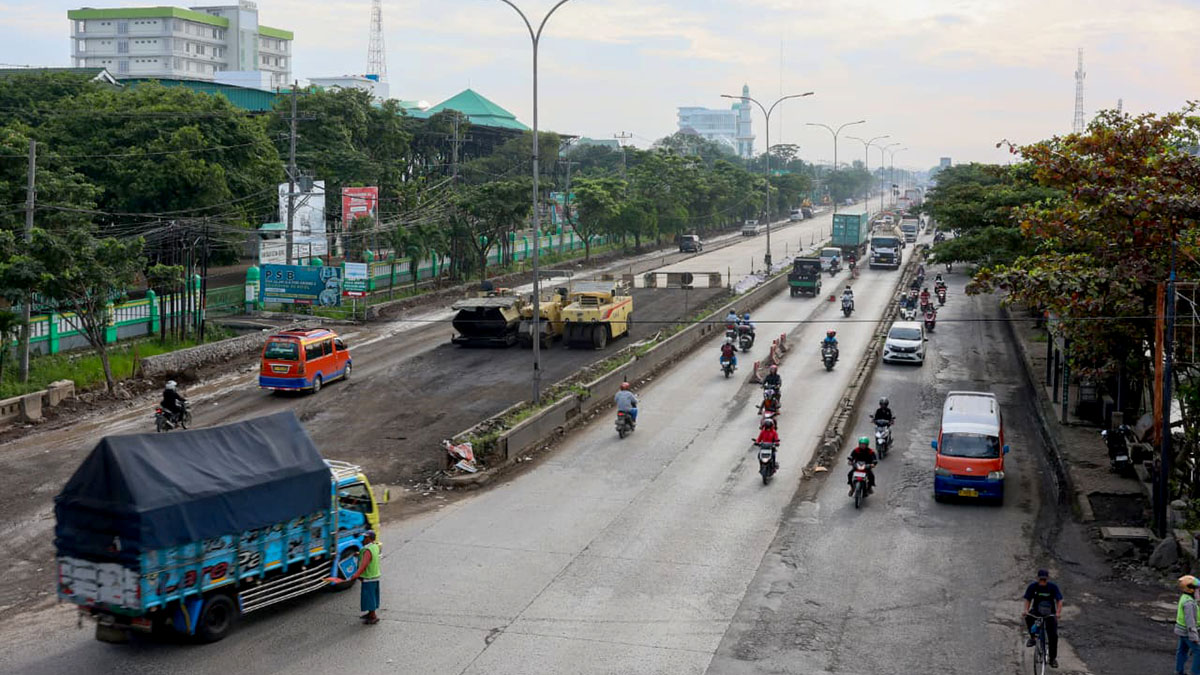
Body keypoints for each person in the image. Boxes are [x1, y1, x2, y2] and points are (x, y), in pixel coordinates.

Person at [1023, 569, 1063, 669]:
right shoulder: (1032, 587)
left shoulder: (1053, 587)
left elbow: (1059, 600)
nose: (1042, 582)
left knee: (1053, 636)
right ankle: (1033, 637)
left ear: (1047, 579)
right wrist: (1026, 610)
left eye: (1044, 580)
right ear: (1038, 578)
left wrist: (1058, 612)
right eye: (1041, 580)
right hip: (1036, 611)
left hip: (1050, 613)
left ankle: (1052, 659)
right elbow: (1028, 599)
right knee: (1028, 617)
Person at [343, 530, 382, 625]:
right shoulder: (374, 546)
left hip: (369, 577)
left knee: (369, 597)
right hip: (374, 575)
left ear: (370, 538)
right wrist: (359, 554)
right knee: (371, 596)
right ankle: (370, 614)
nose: (364, 539)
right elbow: (368, 556)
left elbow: (364, 564)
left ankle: (373, 617)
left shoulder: (367, 550)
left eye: (365, 537)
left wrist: (356, 574)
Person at [1177, 575, 1200, 675]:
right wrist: (1194, 636)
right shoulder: (1189, 603)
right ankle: (1195, 672)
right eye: (1198, 590)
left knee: (1182, 650)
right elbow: (1190, 621)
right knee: (1198, 652)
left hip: (1181, 630)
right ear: (1191, 590)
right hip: (1188, 632)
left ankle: (1179, 670)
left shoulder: (1185, 597)